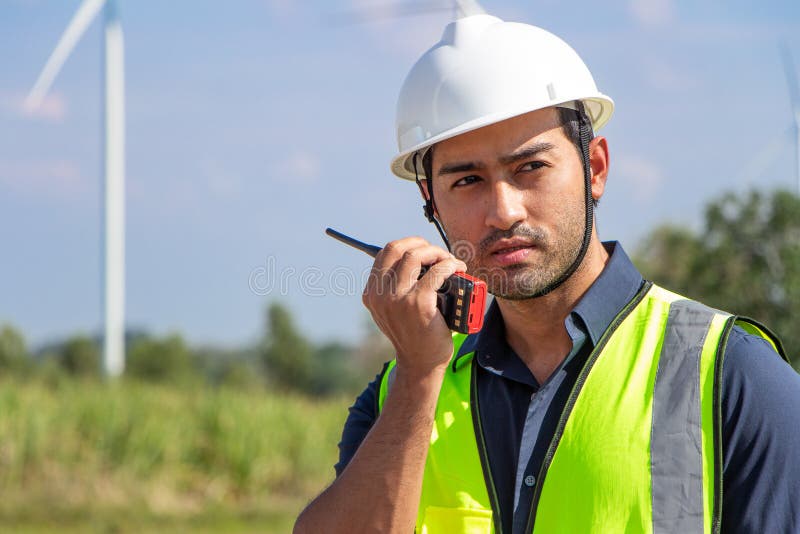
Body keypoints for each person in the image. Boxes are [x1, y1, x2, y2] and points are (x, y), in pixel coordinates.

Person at [295, 10, 800, 534]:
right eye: (467, 181)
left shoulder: (735, 378)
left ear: (595, 168)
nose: (503, 211)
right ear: (431, 201)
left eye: (531, 167)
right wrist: (419, 377)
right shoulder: (401, 393)